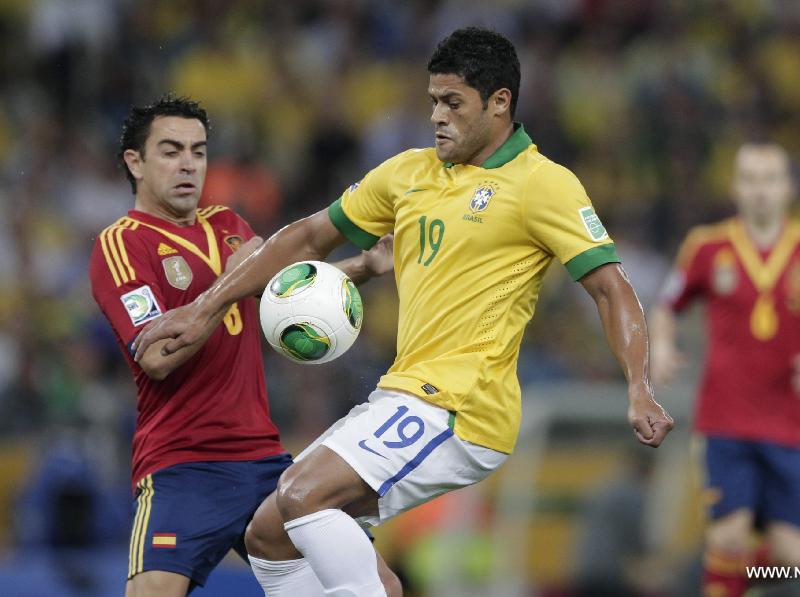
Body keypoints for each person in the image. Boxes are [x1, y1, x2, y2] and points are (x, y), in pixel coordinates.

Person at [134, 28, 674, 597]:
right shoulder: (407, 173)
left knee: (302, 495)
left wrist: (637, 385)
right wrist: (207, 306)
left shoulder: (544, 185)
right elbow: (311, 237)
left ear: (500, 103)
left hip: (462, 404)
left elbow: (611, 288)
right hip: (404, 394)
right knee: (270, 533)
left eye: (453, 103)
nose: (437, 116)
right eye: (433, 102)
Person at [88, 95, 398, 596]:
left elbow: (280, 298)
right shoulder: (123, 244)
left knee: (378, 583)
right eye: (170, 151)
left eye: (198, 151)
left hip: (263, 463)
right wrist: (227, 285)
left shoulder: (229, 226)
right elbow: (155, 358)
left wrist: (362, 267)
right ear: (135, 163)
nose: (188, 163)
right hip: (183, 467)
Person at [650, 143, 800, 597]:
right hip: (724, 418)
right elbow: (666, 305)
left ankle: (727, 579)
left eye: (770, 179)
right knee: (729, 535)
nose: (761, 190)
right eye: (751, 179)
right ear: (735, 187)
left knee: (793, 556)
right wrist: (661, 346)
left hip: (786, 421)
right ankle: (723, 576)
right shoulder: (706, 247)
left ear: (789, 187)